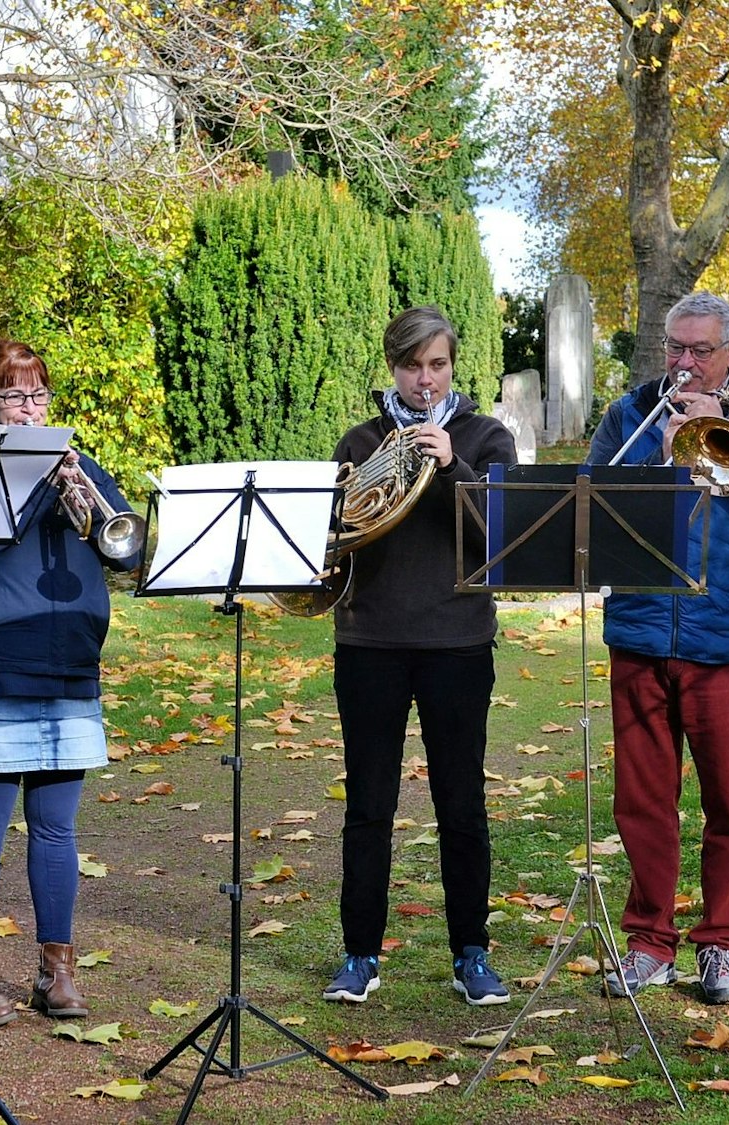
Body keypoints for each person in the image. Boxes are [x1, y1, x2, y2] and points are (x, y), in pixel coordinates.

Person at [588, 291, 729, 1004]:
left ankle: (722, 945)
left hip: (726, 635)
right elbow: (590, 505)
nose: (683, 363)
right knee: (642, 802)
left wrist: (728, 438)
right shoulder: (628, 414)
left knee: (728, 806)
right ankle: (650, 942)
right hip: (641, 631)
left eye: (699, 351)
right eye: (674, 348)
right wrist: (654, 458)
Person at [0, 338, 142, 1027]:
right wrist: (26, 483)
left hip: (68, 660)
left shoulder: (78, 461)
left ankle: (57, 971)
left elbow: (127, 545)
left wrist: (81, 484)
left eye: (38, 395)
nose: (29, 408)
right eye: (14, 395)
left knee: (57, 828)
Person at [323, 307, 519, 1008]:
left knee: (461, 805)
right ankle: (360, 954)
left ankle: (471, 954)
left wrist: (450, 465)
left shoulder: (487, 437)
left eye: (437, 365)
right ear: (393, 368)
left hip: (458, 643)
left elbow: (499, 537)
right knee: (368, 806)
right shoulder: (360, 439)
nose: (425, 378)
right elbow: (335, 536)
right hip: (370, 640)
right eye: (412, 366)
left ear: (452, 365)